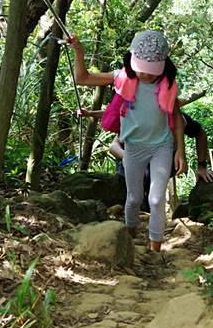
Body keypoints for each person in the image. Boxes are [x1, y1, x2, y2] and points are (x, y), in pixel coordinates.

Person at [67, 30, 186, 253]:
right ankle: (130, 239)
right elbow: (82, 78)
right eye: (142, 70)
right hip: (133, 148)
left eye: (151, 72)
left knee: (157, 199)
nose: (146, 76)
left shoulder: (167, 83)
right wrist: (79, 50)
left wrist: (181, 150)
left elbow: (177, 116)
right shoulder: (122, 77)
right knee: (133, 199)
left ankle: (155, 250)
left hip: (162, 147)